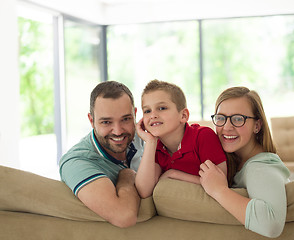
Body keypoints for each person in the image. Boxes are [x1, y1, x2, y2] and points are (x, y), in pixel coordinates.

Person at [199, 86, 290, 238]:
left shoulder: (260, 167)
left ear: (257, 125)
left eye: (238, 119)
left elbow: (271, 225)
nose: (227, 127)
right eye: (221, 118)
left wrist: (218, 190)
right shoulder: (237, 162)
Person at [59, 81, 144, 228]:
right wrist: (127, 176)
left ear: (135, 114)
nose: (118, 131)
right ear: (91, 120)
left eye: (125, 119)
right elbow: (124, 217)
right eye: (106, 122)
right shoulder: (76, 162)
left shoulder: (144, 136)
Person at [135, 80, 227, 198]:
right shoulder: (156, 147)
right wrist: (150, 142)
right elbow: (144, 191)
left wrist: (173, 174)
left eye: (162, 108)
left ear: (183, 116)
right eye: (147, 111)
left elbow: (221, 183)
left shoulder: (203, 136)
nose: (153, 115)